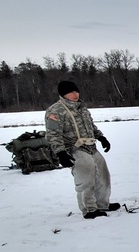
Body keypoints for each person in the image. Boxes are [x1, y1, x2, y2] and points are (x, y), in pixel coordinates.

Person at [45, 80, 118, 219]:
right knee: (86, 179)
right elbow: (53, 134)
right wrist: (61, 153)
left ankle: (103, 204)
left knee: (103, 176)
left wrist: (101, 138)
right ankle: (89, 209)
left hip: (91, 147)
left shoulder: (82, 108)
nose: (75, 94)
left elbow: (91, 126)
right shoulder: (55, 110)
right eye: (71, 92)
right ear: (63, 94)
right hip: (74, 149)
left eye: (76, 91)